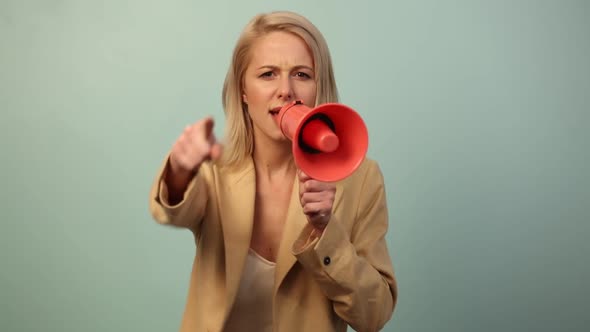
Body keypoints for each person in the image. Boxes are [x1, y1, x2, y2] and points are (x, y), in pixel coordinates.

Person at [149, 10, 397, 332]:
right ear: (243, 91)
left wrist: (326, 232)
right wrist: (180, 170)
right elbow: (173, 211)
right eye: (268, 74)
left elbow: (374, 315)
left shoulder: (361, 180)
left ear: (319, 87)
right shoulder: (214, 170)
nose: (286, 91)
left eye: (302, 75)